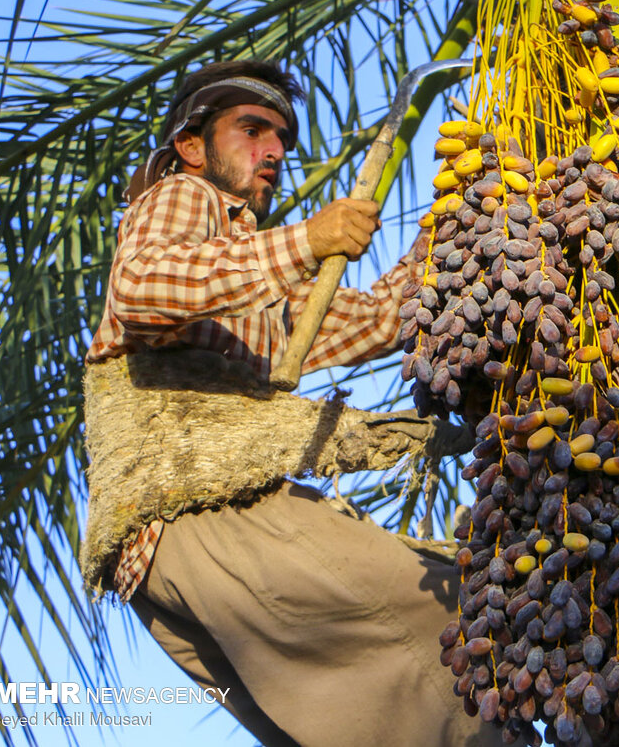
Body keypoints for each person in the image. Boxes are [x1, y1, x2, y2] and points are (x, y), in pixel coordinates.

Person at [82, 60, 498, 747]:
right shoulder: (188, 195)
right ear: (193, 144)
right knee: (450, 611)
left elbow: (383, 318)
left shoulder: (258, 291)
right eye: (252, 130)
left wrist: (453, 216)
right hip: (200, 517)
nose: (274, 151)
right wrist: (307, 239)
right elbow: (144, 287)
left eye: (281, 138)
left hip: (164, 566)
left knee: (364, 717)